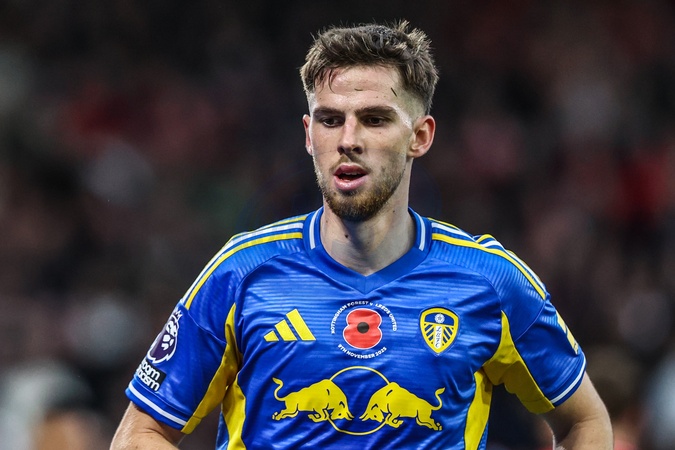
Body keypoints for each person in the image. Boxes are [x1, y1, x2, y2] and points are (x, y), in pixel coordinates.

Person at [110, 21, 612, 449]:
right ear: (309, 135)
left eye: (374, 119)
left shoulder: (490, 280)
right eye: (330, 120)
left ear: (420, 136)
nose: (348, 140)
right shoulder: (240, 273)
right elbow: (140, 433)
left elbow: (585, 422)